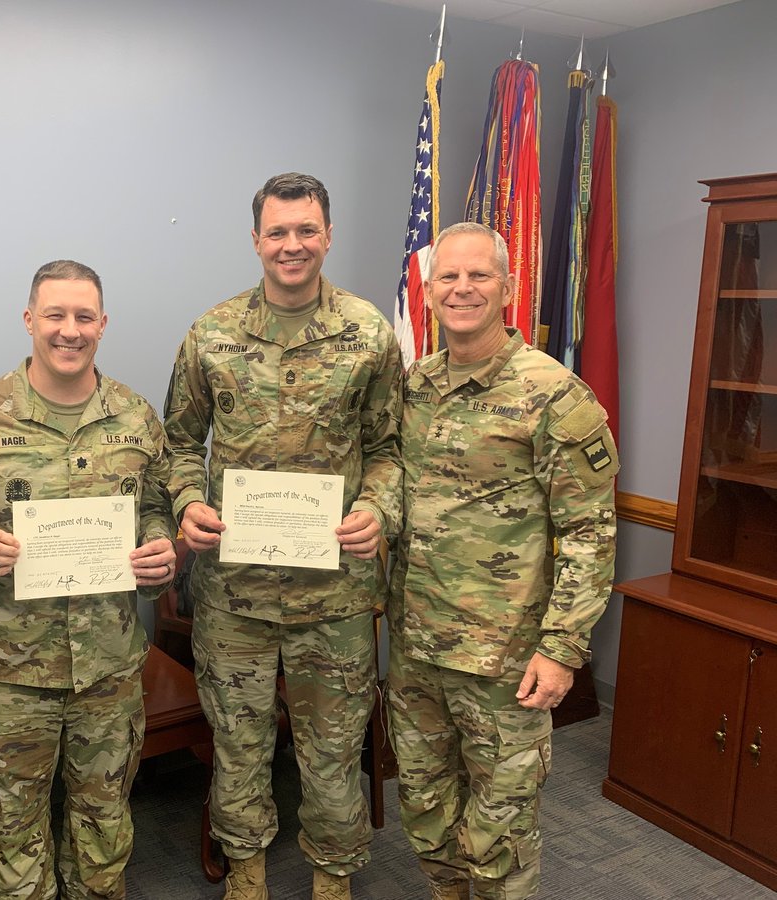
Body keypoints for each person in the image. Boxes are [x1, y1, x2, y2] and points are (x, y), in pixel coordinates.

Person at [163, 173, 403, 900]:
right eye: (277, 232)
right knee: (238, 747)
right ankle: (246, 873)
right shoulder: (212, 333)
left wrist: (378, 512)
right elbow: (179, 443)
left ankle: (334, 879)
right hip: (233, 593)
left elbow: (390, 449)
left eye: (306, 231)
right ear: (257, 239)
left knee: (332, 754)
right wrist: (185, 502)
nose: (292, 245)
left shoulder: (368, 333)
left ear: (327, 235)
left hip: (333, 595)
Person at [0, 260, 176, 900]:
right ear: (30, 319)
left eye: (84, 317)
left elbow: (155, 505)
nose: (70, 331)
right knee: (12, 827)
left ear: (103, 324)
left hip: (108, 668)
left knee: (104, 819)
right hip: (8, 672)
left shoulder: (135, 416)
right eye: (56, 315)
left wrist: (159, 547)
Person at [387, 221, 619, 900]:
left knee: (501, 837)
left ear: (507, 288)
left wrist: (563, 647)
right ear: (428, 293)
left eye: (478, 276)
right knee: (427, 817)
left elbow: (589, 530)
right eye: (448, 278)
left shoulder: (552, 394)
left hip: (505, 662)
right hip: (417, 652)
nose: (462, 289)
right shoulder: (416, 387)